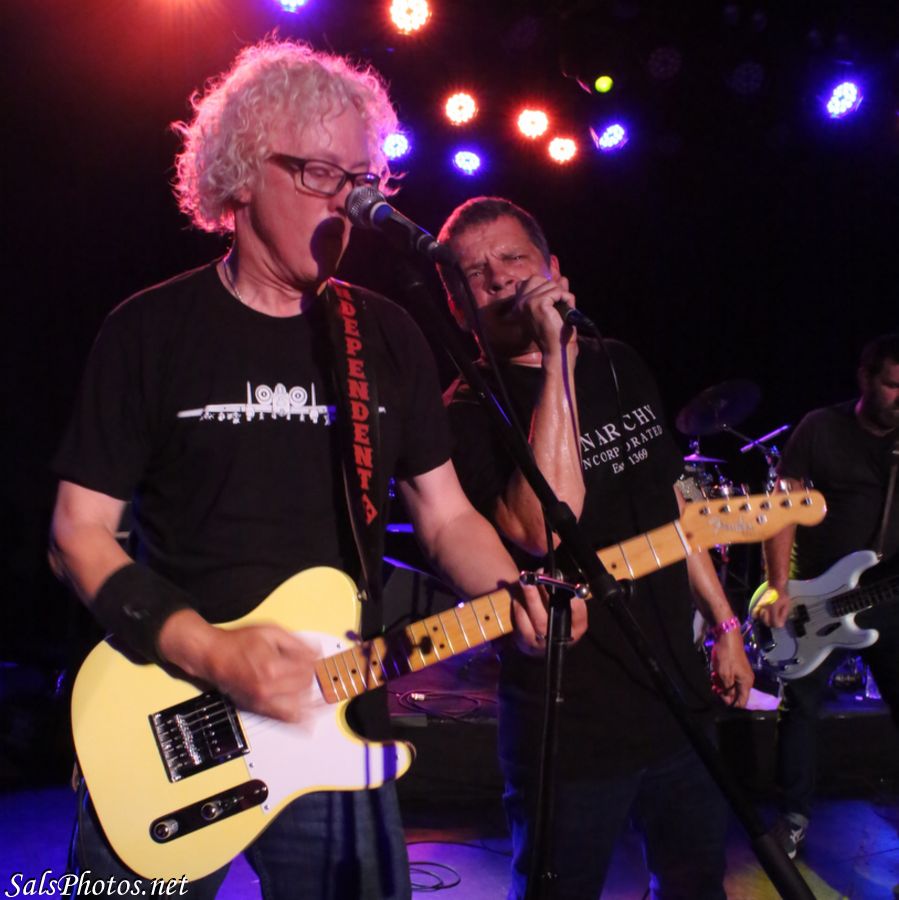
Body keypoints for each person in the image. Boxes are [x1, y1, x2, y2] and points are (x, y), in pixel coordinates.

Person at [49, 42, 546, 900]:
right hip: (166, 712)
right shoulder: (150, 331)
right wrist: (210, 650)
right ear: (241, 174)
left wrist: (517, 592)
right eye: (321, 174)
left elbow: (446, 515)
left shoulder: (383, 334)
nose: (348, 203)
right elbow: (77, 533)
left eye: (363, 180)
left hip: (336, 721)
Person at [437, 197, 754, 899]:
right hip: (571, 726)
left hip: (676, 700)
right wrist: (556, 361)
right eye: (474, 274)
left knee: (695, 884)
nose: (498, 278)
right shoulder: (464, 411)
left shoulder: (620, 363)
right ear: (458, 309)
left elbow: (675, 511)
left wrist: (725, 623)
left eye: (512, 258)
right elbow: (544, 529)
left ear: (553, 269)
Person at [757, 333, 899, 859]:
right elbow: (782, 509)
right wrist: (778, 586)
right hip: (816, 599)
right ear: (865, 378)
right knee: (800, 708)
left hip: (887, 599)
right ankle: (793, 818)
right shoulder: (821, 428)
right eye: (893, 385)